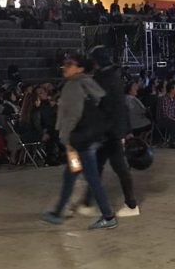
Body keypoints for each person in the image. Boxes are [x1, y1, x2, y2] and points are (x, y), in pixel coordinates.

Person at [39, 54, 118, 230]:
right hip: (88, 138)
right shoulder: (87, 83)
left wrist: (65, 138)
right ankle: (57, 212)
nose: (64, 67)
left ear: (80, 68)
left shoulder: (73, 85)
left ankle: (108, 216)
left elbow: (72, 115)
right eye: (64, 63)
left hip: (79, 141)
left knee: (91, 178)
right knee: (70, 175)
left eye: (69, 64)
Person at [75, 47, 139, 218]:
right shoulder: (114, 77)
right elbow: (121, 106)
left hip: (108, 131)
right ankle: (88, 202)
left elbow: (101, 105)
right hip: (112, 129)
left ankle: (131, 204)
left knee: (115, 167)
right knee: (98, 167)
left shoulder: (104, 79)